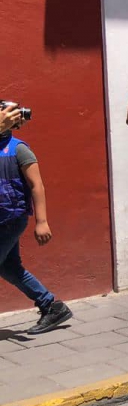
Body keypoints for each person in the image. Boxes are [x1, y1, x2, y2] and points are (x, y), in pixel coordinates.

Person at [0, 102, 72, 335]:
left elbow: (36, 185)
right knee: (9, 268)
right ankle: (52, 306)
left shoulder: (18, 149)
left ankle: (51, 306)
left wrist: (42, 221)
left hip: (12, 218)